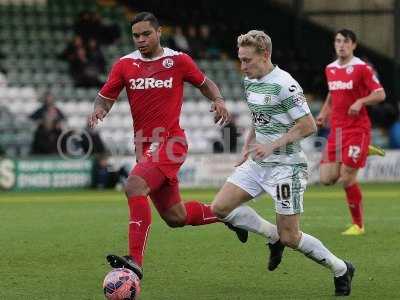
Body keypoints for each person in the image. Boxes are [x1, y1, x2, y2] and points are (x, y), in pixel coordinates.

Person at [87, 12, 245, 283]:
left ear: (159, 32)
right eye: (136, 35)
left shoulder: (179, 61)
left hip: (171, 142)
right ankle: (227, 214)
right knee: (175, 216)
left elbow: (205, 83)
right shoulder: (125, 65)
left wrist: (218, 99)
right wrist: (99, 110)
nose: (140, 40)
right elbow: (105, 97)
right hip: (145, 148)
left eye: (146, 34)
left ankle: (134, 261)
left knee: (134, 186)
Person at [210, 30, 354, 296]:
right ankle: (272, 236)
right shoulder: (250, 80)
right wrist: (247, 145)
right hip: (258, 162)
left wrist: (272, 145)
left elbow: (308, 125)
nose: (242, 66)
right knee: (219, 208)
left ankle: (341, 268)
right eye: (240, 59)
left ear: (265, 55)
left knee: (291, 237)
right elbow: (259, 117)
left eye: (247, 60)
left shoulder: (285, 84)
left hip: (287, 167)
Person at [316, 29, 386, 235]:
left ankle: (358, 225)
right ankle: (364, 151)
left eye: (345, 41)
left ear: (353, 45)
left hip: (357, 129)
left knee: (347, 178)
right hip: (336, 131)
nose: (341, 45)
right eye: (338, 41)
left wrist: (361, 101)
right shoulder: (330, 69)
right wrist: (323, 113)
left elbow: (380, 94)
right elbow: (332, 94)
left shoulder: (362, 68)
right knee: (326, 179)